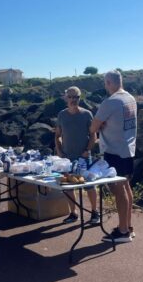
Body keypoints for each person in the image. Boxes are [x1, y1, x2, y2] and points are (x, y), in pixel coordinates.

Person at [90, 70, 137, 243]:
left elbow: (93, 128)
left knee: (118, 190)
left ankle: (123, 231)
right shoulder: (130, 99)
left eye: (105, 83)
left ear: (109, 82)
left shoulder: (110, 102)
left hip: (114, 151)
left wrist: (102, 126)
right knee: (126, 187)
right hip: (128, 149)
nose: (105, 86)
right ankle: (128, 226)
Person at [55, 86, 100, 225]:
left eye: (76, 97)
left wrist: (87, 149)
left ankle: (94, 213)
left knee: (89, 186)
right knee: (68, 186)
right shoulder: (61, 115)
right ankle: (73, 213)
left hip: (84, 157)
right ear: (65, 98)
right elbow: (57, 135)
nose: (73, 100)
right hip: (67, 158)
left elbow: (93, 135)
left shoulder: (87, 114)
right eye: (70, 97)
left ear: (80, 98)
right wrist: (60, 152)